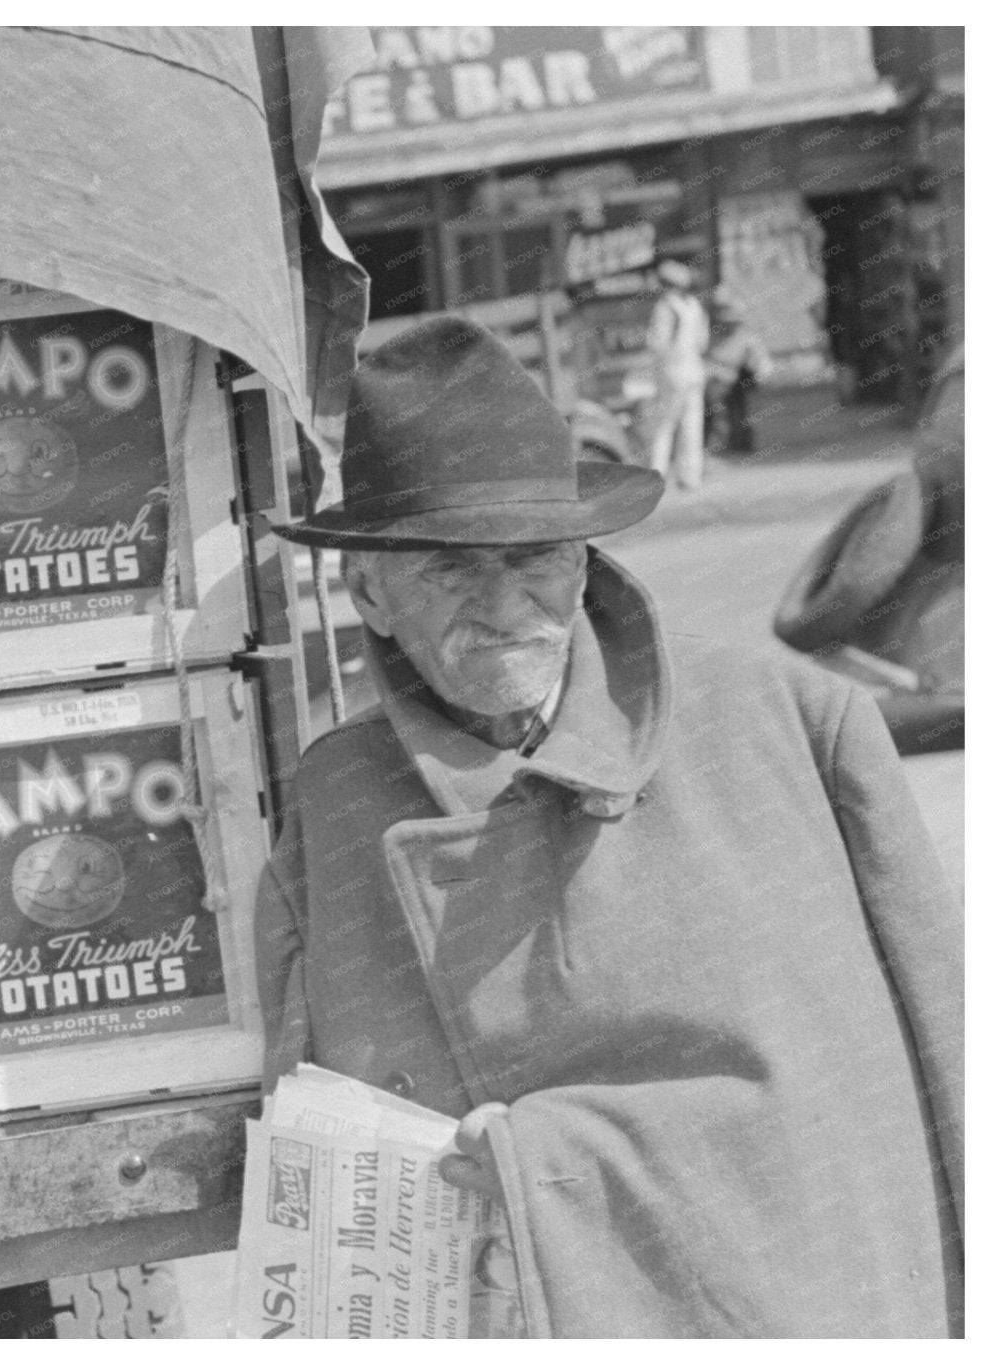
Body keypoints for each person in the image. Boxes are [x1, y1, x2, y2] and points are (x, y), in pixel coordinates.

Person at [258, 317, 962, 1337]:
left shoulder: (789, 728)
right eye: (450, 568)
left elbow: (941, 1057)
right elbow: (321, 1157)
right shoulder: (334, 808)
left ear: (583, 560)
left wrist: (546, 1163)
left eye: (535, 557)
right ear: (366, 589)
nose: (505, 605)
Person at [642, 259, 710, 490]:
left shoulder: (665, 307)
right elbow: (703, 342)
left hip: (673, 372)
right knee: (692, 425)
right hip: (694, 370)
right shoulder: (694, 305)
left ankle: (656, 476)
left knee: (663, 425)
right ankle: (690, 476)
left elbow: (657, 343)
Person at [704, 294, 771, 456]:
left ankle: (741, 440)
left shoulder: (746, 338)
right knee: (710, 403)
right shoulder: (712, 337)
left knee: (739, 403)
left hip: (739, 381)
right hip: (717, 381)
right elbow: (707, 361)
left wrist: (754, 372)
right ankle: (711, 441)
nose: (728, 325)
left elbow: (761, 365)